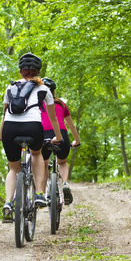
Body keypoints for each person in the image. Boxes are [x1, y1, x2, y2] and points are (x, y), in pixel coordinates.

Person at [0, 54, 63, 222]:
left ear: (20, 71)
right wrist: (58, 136)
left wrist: (0, 134)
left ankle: (8, 202)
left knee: (13, 168)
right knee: (36, 154)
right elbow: (53, 117)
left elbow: (4, 115)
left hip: (10, 129)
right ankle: (40, 194)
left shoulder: (10, 88)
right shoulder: (44, 89)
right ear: (38, 72)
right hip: (33, 127)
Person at [41, 77, 81, 205]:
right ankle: (64, 183)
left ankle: (44, 192)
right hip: (62, 134)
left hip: (43, 134)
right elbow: (71, 126)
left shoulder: (36, 103)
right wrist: (77, 141)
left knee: (44, 164)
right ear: (53, 92)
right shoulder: (61, 104)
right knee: (62, 162)